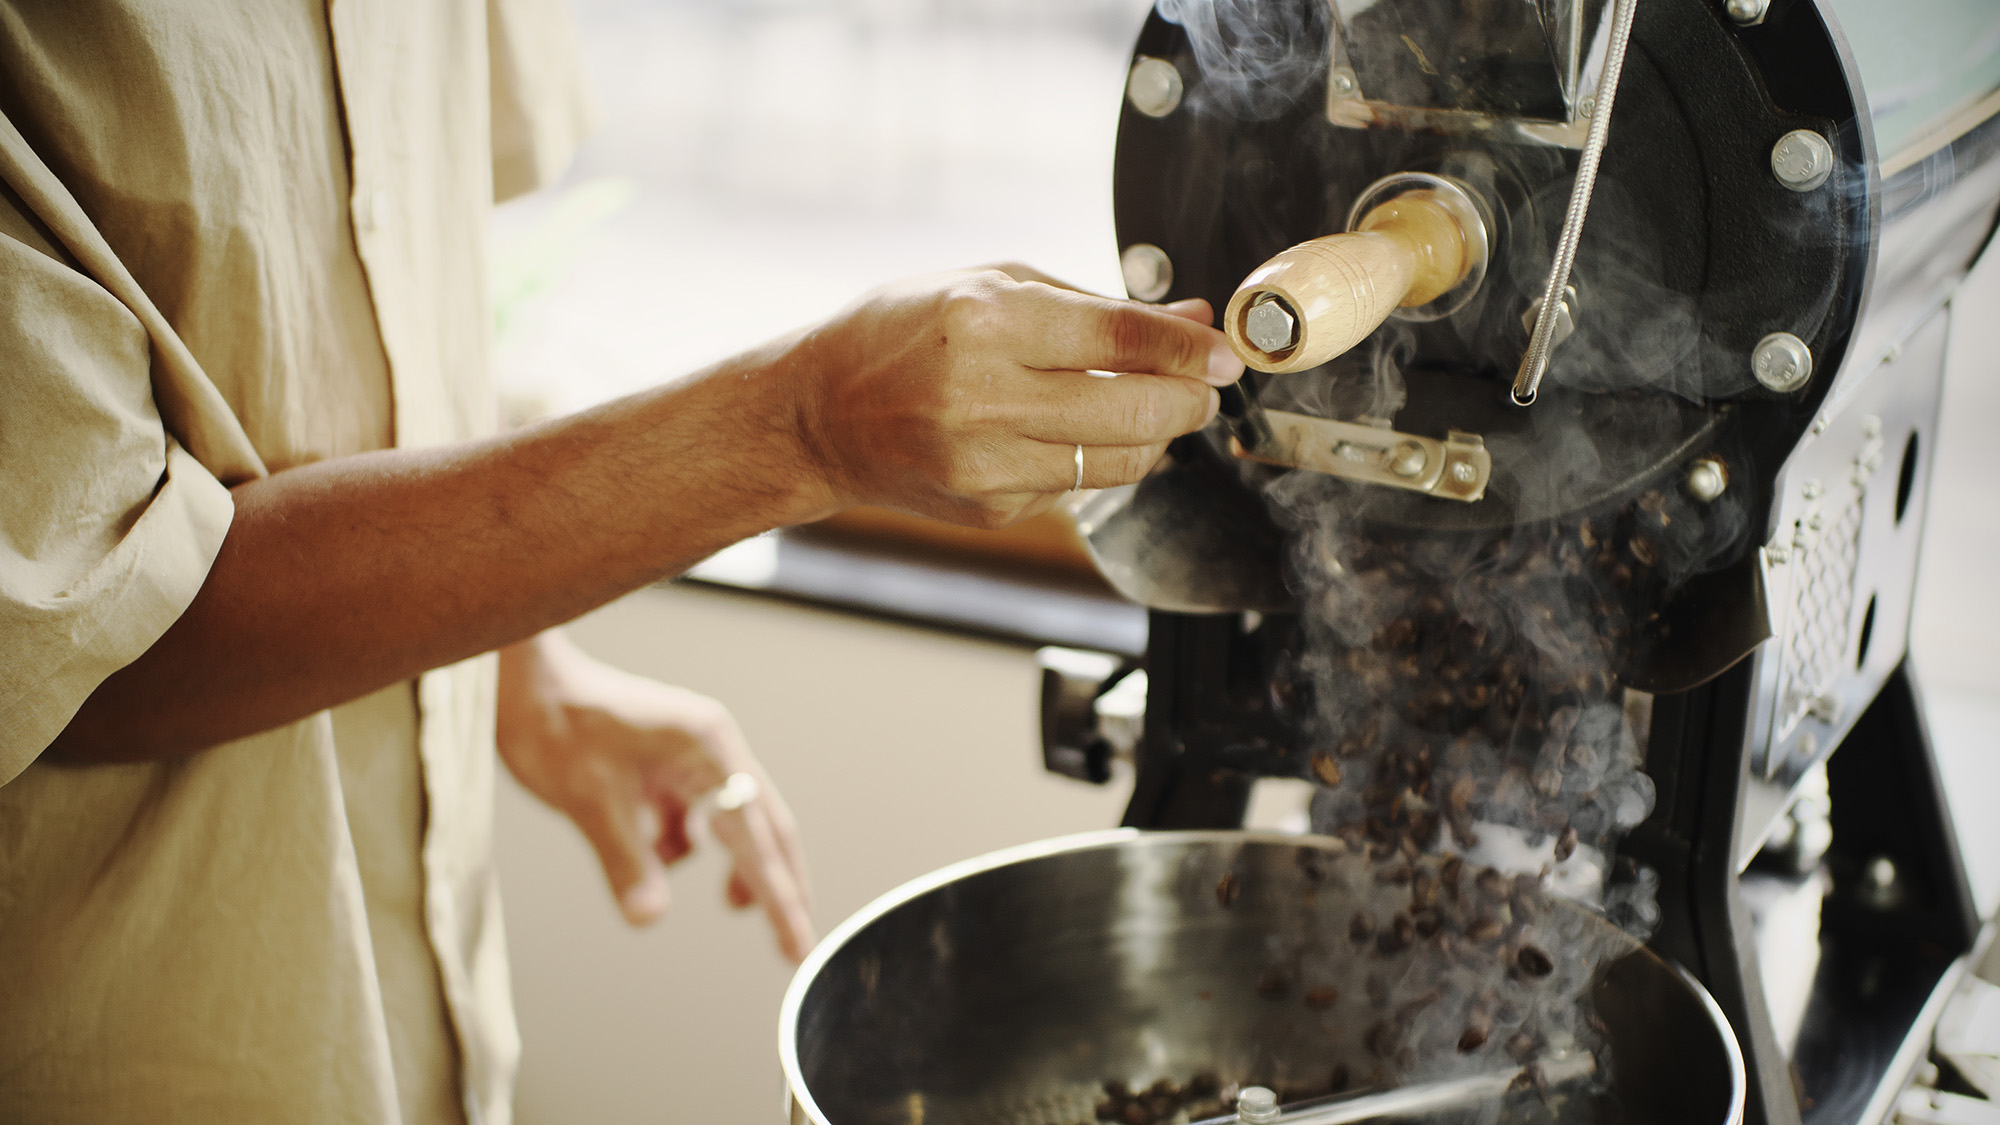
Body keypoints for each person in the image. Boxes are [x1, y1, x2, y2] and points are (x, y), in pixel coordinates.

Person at [0, 2, 1243, 1123]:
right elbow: (98, 641)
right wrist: (791, 427)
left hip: (414, 1021)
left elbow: (384, 281)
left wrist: (524, 669)